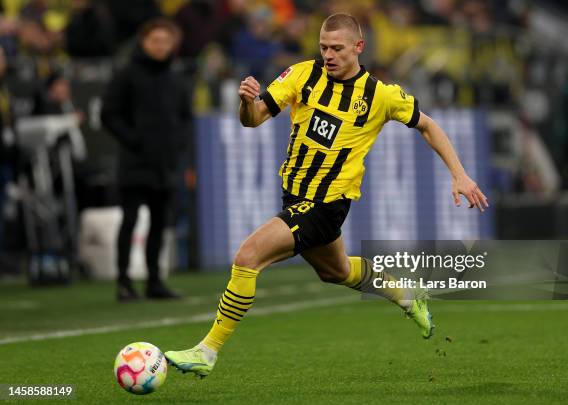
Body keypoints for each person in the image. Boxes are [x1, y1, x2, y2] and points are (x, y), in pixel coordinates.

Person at [165, 13, 488, 377]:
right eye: (323, 47)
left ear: (358, 48)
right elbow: (253, 119)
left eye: (337, 48)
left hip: (327, 204)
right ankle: (406, 293)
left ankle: (207, 351)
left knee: (248, 256)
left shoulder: (379, 95)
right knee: (337, 271)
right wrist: (246, 102)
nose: (329, 55)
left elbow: (428, 125)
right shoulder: (303, 74)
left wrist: (459, 175)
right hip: (295, 198)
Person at [101, 18, 192, 302]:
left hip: (164, 165)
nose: (161, 46)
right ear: (144, 42)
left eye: (166, 41)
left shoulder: (175, 78)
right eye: (156, 41)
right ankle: (124, 282)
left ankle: (155, 281)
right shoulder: (127, 74)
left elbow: (185, 118)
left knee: (158, 222)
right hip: (135, 163)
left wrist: (177, 146)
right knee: (129, 220)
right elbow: (109, 114)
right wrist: (134, 141)